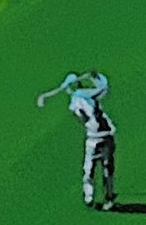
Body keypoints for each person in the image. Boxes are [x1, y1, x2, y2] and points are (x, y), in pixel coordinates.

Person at [39, 70, 117, 210]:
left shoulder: (86, 95)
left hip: (106, 135)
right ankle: (89, 196)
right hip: (92, 138)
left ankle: (108, 197)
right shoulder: (77, 100)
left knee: (107, 169)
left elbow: (103, 88)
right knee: (89, 170)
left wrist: (94, 77)